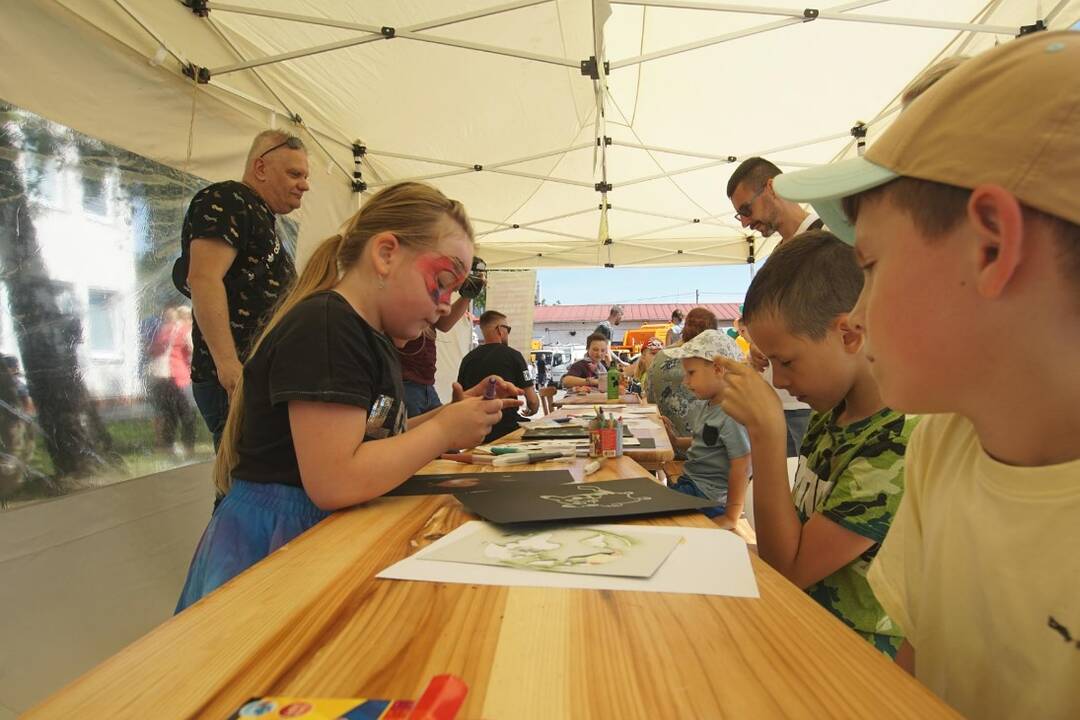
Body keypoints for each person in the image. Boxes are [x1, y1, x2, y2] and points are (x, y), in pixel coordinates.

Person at [773, 31, 1080, 719]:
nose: (856, 312)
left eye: (871, 267)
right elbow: (914, 675)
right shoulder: (943, 445)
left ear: (993, 246)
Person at [175, 182, 518, 612]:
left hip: (308, 532)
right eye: (443, 281)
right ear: (386, 254)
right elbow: (335, 480)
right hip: (277, 544)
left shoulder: (368, 336)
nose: (446, 302)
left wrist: (449, 417)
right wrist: (444, 431)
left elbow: (367, 439)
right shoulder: (327, 326)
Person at [716, 231, 914, 657]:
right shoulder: (832, 414)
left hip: (860, 662)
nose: (780, 381)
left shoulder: (894, 442)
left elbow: (786, 568)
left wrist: (767, 434)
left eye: (787, 361)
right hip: (806, 631)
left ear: (848, 334)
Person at [173, 130, 310, 449]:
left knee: (251, 483)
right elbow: (204, 278)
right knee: (241, 485)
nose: (304, 184)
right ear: (260, 168)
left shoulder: (260, 217)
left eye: (305, 176)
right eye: (294, 173)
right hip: (237, 382)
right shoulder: (228, 200)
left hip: (259, 380)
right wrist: (229, 366)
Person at [727, 157, 817, 456]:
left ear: (771, 188)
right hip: (781, 400)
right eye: (739, 216)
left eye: (745, 210)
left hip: (809, 403)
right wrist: (759, 344)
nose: (746, 222)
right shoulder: (779, 253)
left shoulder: (823, 239)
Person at [659, 330, 750, 530]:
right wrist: (676, 441)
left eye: (691, 373)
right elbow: (707, 440)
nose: (685, 381)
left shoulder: (731, 413)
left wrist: (731, 516)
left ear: (718, 369)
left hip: (708, 497)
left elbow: (742, 463)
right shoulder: (709, 404)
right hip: (692, 484)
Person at [457, 310, 539, 442]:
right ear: (500, 330)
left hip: (476, 433)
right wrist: (533, 409)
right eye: (508, 329)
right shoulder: (513, 356)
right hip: (507, 429)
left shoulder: (468, 359)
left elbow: (460, 397)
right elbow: (533, 401)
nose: (508, 333)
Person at [645, 307, 718, 440]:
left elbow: (649, 398)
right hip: (694, 449)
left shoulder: (660, 357)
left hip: (663, 440)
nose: (686, 381)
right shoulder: (709, 360)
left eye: (691, 373)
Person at [397, 294, 471, 418]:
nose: (445, 309)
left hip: (426, 384)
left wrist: (467, 296)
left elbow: (443, 324)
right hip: (406, 384)